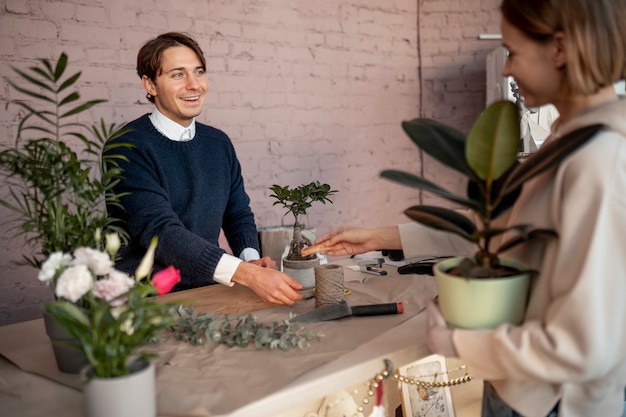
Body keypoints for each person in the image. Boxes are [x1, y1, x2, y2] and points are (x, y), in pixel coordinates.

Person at [315, 0, 626, 415]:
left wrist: (459, 341)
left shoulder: (599, 157)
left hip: (549, 403)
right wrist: (378, 238)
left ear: (560, 48)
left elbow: (584, 346)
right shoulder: (569, 142)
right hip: (522, 389)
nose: (505, 70)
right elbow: (497, 224)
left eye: (512, 51)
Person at [105, 32, 303, 305]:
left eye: (199, 72)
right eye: (178, 75)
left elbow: (237, 213)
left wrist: (250, 259)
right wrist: (243, 274)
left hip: (209, 288)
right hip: (146, 300)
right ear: (150, 84)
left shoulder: (218, 143)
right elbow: (160, 232)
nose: (193, 85)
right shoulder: (127, 146)